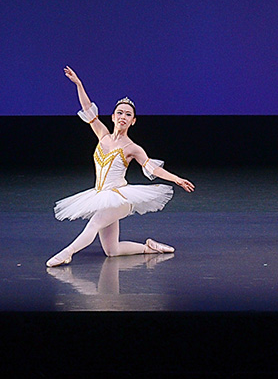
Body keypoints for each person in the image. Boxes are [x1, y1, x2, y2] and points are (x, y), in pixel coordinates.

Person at [46, 67, 194, 267]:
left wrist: (176, 179)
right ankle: (150, 248)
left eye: (128, 115)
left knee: (93, 224)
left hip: (119, 198)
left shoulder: (133, 148)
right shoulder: (103, 135)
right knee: (112, 251)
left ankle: (67, 253)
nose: (123, 117)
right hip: (101, 195)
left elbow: (153, 169)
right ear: (113, 117)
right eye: (120, 113)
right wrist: (79, 84)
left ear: (133, 121)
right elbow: (88, 109)